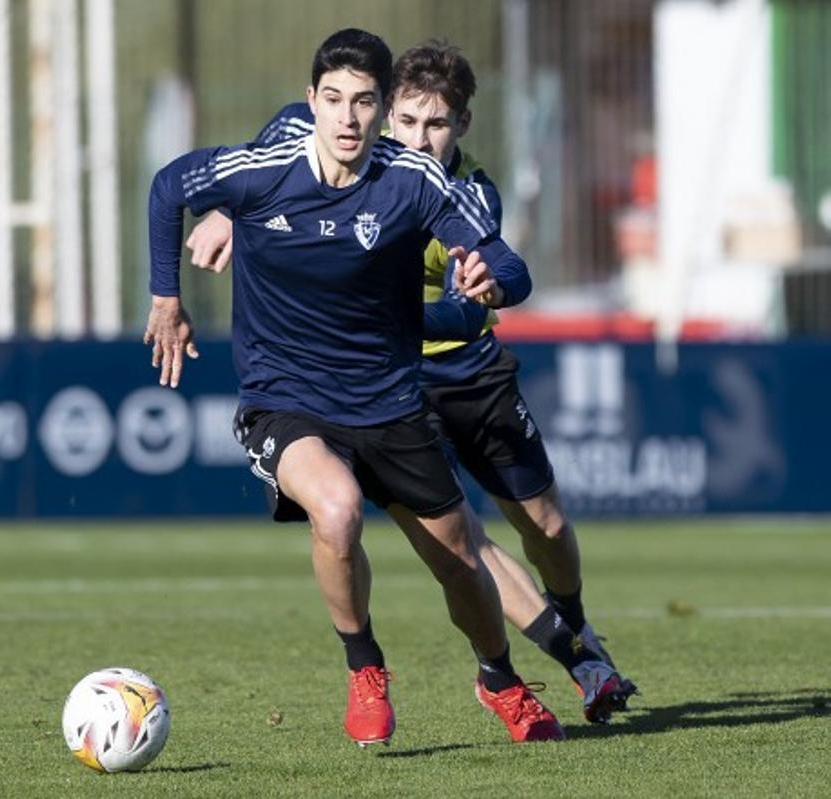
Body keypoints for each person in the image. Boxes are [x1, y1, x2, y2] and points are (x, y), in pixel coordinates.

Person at [144, 28, 596, 746]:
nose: (347, 118)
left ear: (381, 108)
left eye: (362, 102)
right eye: (333, 100)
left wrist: (494, 280)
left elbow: (507, 263)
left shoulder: (413, 180)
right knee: (338, 508)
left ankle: (499, 678)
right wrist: (165, 297)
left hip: (388, 400)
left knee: (459, 558)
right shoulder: (264, 169)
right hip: (284, 397)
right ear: (311, 103)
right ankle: (364, 665)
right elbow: (171, 187)